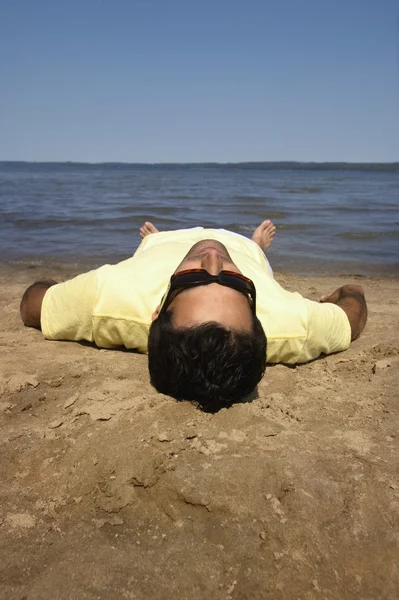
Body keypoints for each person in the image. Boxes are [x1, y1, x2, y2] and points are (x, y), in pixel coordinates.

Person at [20, 220, 367, 412]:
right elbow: (352, 314)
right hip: (239, 245)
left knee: (150, 245)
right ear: (257, 311)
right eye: (233, 281)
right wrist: (343, 292)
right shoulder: (289, 322)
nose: (213, 260)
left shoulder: (109, 294)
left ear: (157, 311)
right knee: (253, 253)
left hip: (168, 240)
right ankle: (256, 249)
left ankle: (153, 244)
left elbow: (34, 302)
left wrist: (57, 284)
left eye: (192, 279)